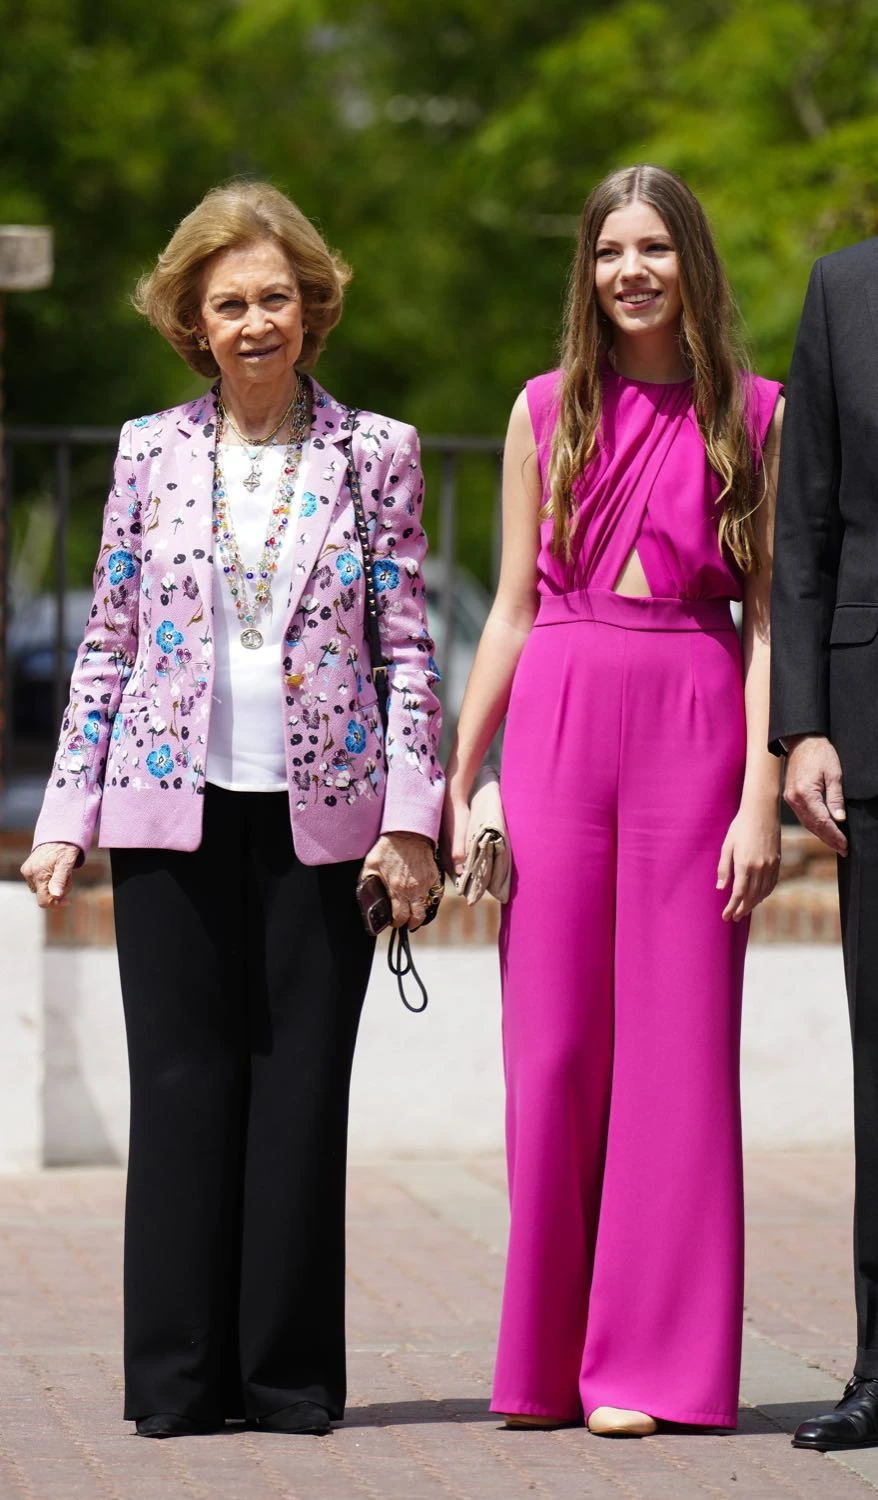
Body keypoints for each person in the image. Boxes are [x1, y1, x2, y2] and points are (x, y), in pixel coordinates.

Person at [21, 181, 444, 1439]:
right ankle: (178, 1382)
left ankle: (285, 1379)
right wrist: (65, 816)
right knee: (183, 1091)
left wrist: (410, 819)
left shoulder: (375, 451)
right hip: (170, 812)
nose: (254, 323)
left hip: (328, 822)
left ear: (310, 308)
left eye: (274, 299)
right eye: (227, 304)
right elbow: (107, 641)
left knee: (299, 1096)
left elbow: (406, 650)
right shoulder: (146, 450)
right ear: (191, 323)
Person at [442, 164, 783, 1435]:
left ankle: (647, 1371)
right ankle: (544, 1364)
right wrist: (456, 781)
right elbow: (508, 610)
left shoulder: (757, 414)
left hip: (696, 725)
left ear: (691, 260)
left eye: (651, 247)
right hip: (559, 722)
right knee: (552, 1050)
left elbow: (767, 622)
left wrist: (758, 798)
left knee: (677, 1054)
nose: (628, 271)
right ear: (584, 272)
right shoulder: (544, 408)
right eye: (606, 251)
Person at [769, 237, 878, 1453]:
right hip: (868, 725)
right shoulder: (843, 290)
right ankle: (876, 1369)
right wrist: (799, 725)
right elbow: (801, 527)